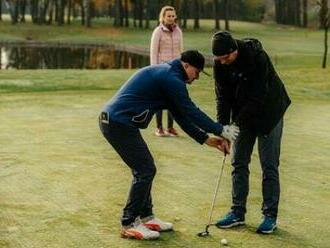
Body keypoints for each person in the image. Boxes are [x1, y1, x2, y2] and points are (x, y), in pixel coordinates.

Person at [99, 50, 239, 240]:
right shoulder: (170, 78)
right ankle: (129, 222)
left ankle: (146, 217)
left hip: (118, 122)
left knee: (145, 168)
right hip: (117, 123)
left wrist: (207, 139)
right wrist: (220, 129)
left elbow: (181, 116)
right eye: (196, 72)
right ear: (186, 65)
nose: (196, 77)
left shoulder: (170, 76)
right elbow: (191, 110)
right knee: (145, 169)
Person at [211, 31, 291, 234]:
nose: (224, 61)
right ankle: (237, 213)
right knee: (238, 162)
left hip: (269, 113)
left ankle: (269, 216)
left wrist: (235, 124)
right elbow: (222, 98)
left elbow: (258, 97)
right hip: (244, 114)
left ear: (234, 50)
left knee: (269, 165)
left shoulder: (257, 58)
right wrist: (223, 129)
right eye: (219, 59)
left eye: (226, 57)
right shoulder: (220, 64)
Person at [150, 5, 183, 137]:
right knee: (160, 99)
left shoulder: (178, 31)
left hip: (175, 70)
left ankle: (170, 128)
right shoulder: (158, 31)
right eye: (168, 16)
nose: (171, 18)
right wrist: (153, 70)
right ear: (163, 17)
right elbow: (153, 52)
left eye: (173, 16)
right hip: (161, 70)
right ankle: (159, 128)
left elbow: (181, 50)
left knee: (173, 100)